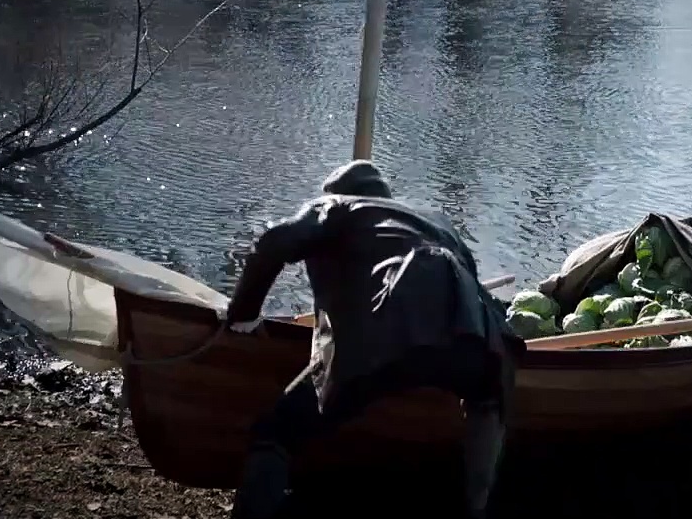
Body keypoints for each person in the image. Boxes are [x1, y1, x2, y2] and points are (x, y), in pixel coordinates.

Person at [225, 159, 526, 519]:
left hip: (383, 338)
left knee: (276, 431)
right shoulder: (437, 220)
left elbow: (274, 240)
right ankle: (476, 507)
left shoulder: (337, 206)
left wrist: (243, 313)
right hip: (475, 338)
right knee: (487, 397)